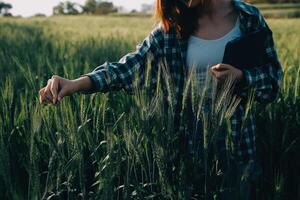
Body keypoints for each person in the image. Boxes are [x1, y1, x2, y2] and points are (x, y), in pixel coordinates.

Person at [39, 0, 282, 199]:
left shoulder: (250, 19)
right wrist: (76, 83)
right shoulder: (174, 27)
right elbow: (128, 68)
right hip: (188, 150)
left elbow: (273, 82)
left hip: (238, 145)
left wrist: (242, 77)